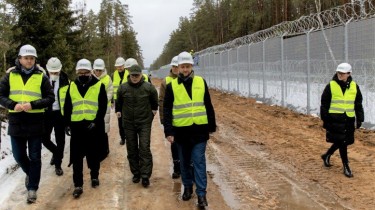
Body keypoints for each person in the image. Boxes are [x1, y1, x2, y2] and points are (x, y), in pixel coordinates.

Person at [0, 44, 54, 203]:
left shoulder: (41, 77)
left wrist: (33, 104)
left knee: (35, 156)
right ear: (20, 59)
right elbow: (1, 95)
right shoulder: (10, 76)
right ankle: (31, 174)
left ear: (35, 60)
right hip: (16, 122)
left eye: (32, 58)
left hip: (36, 122)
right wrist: (12, 105)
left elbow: (50, 98)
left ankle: (32, 188)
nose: (29, 61)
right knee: (18, 155)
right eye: (26, 58)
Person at [163, 51, 216, 207]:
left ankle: (201, 194)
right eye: (182, 67)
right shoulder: (172, 86)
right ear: (178, 68)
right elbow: (167, 110)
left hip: (199, 131)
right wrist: (169, 131)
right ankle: (187, 187)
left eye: (187, 66)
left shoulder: (201, 82)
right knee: (185, 162)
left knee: (199, 161)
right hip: (181, 132)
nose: (185, 70)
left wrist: (211, 125)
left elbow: (208, 104)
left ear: (192, 66)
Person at [64, 59, 107, 198]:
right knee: (76, 157)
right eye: (80, 72)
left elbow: (102, 106)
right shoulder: (71, 86)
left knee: (93, 154)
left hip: (93, 126)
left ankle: (95, 176)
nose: (83, 74)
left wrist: (96, 122)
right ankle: (78, 185)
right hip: (77, 127)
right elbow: (68, 106)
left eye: (86, 72)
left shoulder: (99, 85)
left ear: (91, 72)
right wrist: (67, 123)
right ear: (77, 72)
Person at [115, 64, 158, 188]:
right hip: (128, 123)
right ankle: (136, 173)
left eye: (136, 75)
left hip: (144, 122)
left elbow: (154, 103)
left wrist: (152, 114)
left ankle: (145, 175)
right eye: (132, 75)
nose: (134, 77)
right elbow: (119, 102)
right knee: (132, 148)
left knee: (144, 148)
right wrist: (118, 111)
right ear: (129, 75)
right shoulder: (123, 88)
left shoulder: (148, 88)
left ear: (141, 75)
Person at [320, 62, 364, 178]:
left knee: (342, 141)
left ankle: (327, 155)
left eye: (343, 73)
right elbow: (324, 104)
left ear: (349, 74)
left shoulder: (354, 86)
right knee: (342, 142)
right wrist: (325, 120)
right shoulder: (331, 85)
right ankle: (346, 166)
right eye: (339, 72)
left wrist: (360, 118)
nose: (340, 75)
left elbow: (358, 104)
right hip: (334, 119)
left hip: (348, 119)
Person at [43, 57, 70, 176]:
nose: (54, 74)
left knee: (61, 141)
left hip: (60, 114)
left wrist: (68, 120)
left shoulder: (66, 81)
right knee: (44, 139)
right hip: (46, 114)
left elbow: (69, 101)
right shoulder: (41, 79)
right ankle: (55, 152)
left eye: (56, 72)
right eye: (52, 72)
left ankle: (58, 164)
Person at [158, 56, 181, 179]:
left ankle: (188, 167)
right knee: (175, 145)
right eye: (174, 66)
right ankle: (177, 168)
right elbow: (161, 101)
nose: (176, 69)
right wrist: (163, 120)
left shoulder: (188, 79)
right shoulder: (166, 81)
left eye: (178, 66)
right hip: (171, 119)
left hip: (185, 119)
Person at [93, 58, 113, 159]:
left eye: (100, 70)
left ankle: (105, 150)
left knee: (103, 130)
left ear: (103, 69)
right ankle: (96, 150)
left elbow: (110, 91)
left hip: (105, 108)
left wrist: (103, 101)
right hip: (93, 108)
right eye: (96, 70)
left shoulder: (107, 78)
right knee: (95, 130)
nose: (98, 72)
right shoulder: (90, 78)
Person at [112, 57, 127, 145]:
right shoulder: (114, 74)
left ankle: (129, 137)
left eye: (120, 66)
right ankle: (123, 138)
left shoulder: (128, 73)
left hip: (128, 101)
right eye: (117, 66)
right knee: (120, 121)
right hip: (118, 102)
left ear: (124, 66)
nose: (119, 68)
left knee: (128, 120)